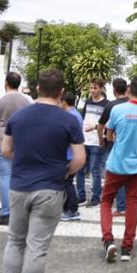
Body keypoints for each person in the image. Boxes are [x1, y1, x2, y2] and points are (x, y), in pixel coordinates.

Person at [1, 69, 85, 273]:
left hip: (19, 186)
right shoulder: (68, 120)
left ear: (37, 88)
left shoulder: (19, 116)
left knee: (15, 241)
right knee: (36, 247)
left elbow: (6, 150)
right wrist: (64, 172)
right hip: (50, 188)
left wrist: (25, 162)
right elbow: (80, 158)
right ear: (61, 92)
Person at [101, 75, 137, 263]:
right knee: (132, 203)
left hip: (117, 162)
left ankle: (108, 240)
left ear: (130, 89)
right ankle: (127, 247)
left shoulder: (118, 109)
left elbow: (109, 133)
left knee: (107, 200)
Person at [0, 72, 32, 226]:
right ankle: (23, 212)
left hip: (2, 141)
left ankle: (6, 212)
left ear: (6, 83)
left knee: (5, 176)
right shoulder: (28, 100)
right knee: (23, 175)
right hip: (23, 141)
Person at [97, 77, 129, 213]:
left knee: (116, 173)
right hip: (133, 144)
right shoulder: (132, 104)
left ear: (114, 90)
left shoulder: (111, 106)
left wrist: (101, 139)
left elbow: (101, 125)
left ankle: (120, 205)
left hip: (115, 143)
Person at [76, 78, 107, 207]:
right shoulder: (88, 102)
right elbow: (83, 119)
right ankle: (81, 195)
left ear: (101, 89)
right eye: (91, 88)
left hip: (96, 140)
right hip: (85, 140)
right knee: (80, 169)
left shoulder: (106, 104)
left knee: (95, 170)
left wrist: (95, 128)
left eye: (95, 88)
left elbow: (107, 124)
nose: (92, 90)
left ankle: (95, 196)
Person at [60, 92, 84, 221]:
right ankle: (67, 208)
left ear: (64, 102)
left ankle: (72, 209)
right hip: (69, 153)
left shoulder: (71, 117)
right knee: (66, 182)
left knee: (67, 182)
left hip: (70, 154)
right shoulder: (74, 115)